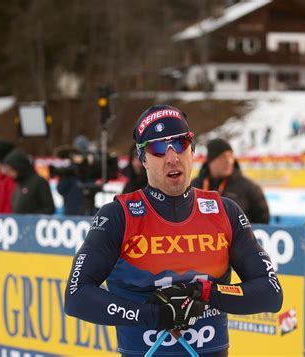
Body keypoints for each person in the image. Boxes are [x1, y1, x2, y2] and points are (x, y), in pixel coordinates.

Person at [64, 104, 283, 356]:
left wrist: (207, 293)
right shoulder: (118, 216)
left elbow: (271, 292)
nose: (172, 157)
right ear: (143, 159)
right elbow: (76, 295)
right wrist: (154, 315)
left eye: (180, 143)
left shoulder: (224, 211)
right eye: (157, 148)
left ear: (192, 150)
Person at [192, 138, 270, 224]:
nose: (228, 161)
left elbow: (263, 224)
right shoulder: (194, 186)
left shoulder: (250, 188)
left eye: (230, 156)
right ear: (211, 161)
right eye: (222, 157)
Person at [2, 149, 55, 214]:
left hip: (33, 223)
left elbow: (49, 208)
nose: (8, 173)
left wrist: (30, 218)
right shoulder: (18, 183)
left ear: (18, 167)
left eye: (10, 169)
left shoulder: (39, 182)